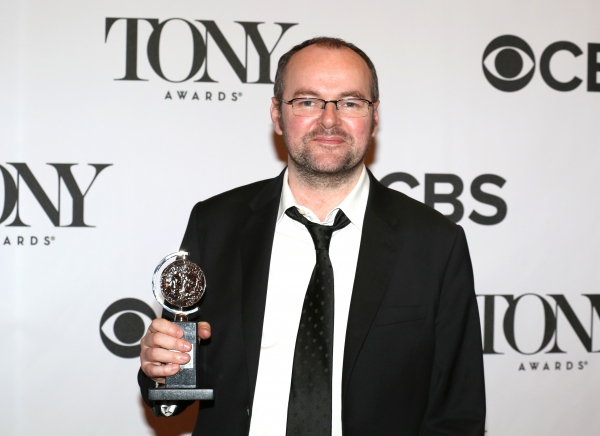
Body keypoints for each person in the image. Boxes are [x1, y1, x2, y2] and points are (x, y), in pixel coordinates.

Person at [138, 37, 486, 436]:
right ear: (276, 113)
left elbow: (458, 413)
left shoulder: (435, 243)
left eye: (350, 102)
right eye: (307, 101)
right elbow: (171, 399)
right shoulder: (215, 223)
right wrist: (161, 371)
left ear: (374, 117)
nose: (329, 120)